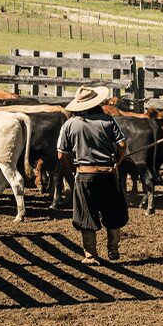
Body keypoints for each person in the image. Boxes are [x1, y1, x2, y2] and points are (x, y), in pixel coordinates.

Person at [56, 85, 129, 265]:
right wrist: (117, 162)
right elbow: (122, 146)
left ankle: (90, 255)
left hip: (84, 175)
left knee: (86, 214)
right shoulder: (108, 120)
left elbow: (60, 154)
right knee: (112, 211)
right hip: (107, 174)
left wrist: (73, 169)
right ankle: (113, 248)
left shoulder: (69, 124)